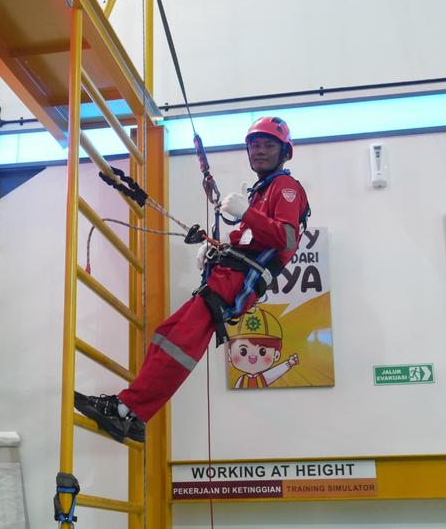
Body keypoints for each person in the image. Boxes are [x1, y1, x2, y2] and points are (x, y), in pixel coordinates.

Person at [75, 116, 309, 443]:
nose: (259, 151)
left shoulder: (285, 188)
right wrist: (215, 248)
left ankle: (127, 410)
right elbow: (246, 238)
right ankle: (137, 414)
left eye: (268, 145)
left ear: (285, 152)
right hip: (229, 272)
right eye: (254, 145)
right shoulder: (262, 190)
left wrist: (247, 214)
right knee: (166, 335)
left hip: (239, 279)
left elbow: (285, 239)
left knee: (180, 343)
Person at [227, 307, 299, 389]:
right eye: (243, 351)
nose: (252, 357)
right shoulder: (241, 381)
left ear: (276, 355)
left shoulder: (264, 377)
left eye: (262, 351)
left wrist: (289, 363)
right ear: (229, 354)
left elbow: (276, 372)